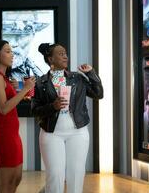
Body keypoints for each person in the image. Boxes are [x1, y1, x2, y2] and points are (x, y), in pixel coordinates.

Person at [31, 43, 103, 193]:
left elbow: (98, 94)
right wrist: (53, 106)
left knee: (76, 174)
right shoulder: (40, 82)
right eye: (60, 53)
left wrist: (91, 73)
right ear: (50, 59)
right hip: (51, 134)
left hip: (78, 132)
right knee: (55, 175)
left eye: (65, 53)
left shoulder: (77, 78)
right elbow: (35, 110)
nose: (65, 56)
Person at [0, 40, 36, 192]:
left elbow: (8, 103)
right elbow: (4, 109)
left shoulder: (3, 78)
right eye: (8, 51)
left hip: (12, 135)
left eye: (12, 51)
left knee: (16, 179)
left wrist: (14, 89)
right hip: (3, 135)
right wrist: (26, 89)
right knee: (5, 184)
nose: (12, 55)